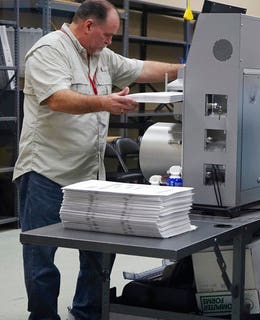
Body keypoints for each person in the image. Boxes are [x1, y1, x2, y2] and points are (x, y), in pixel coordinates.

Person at [12, 1, 184, 319]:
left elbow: (142, 68)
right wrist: (105, 101)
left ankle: (87, 312)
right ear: (89, 26)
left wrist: (186, 69)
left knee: (99, 253)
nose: (109, 43)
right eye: (107, 35)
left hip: (90, 173)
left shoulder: (101, 56)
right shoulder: (49, 50)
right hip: (47, 172)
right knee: (41, 258)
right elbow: (57, 98)